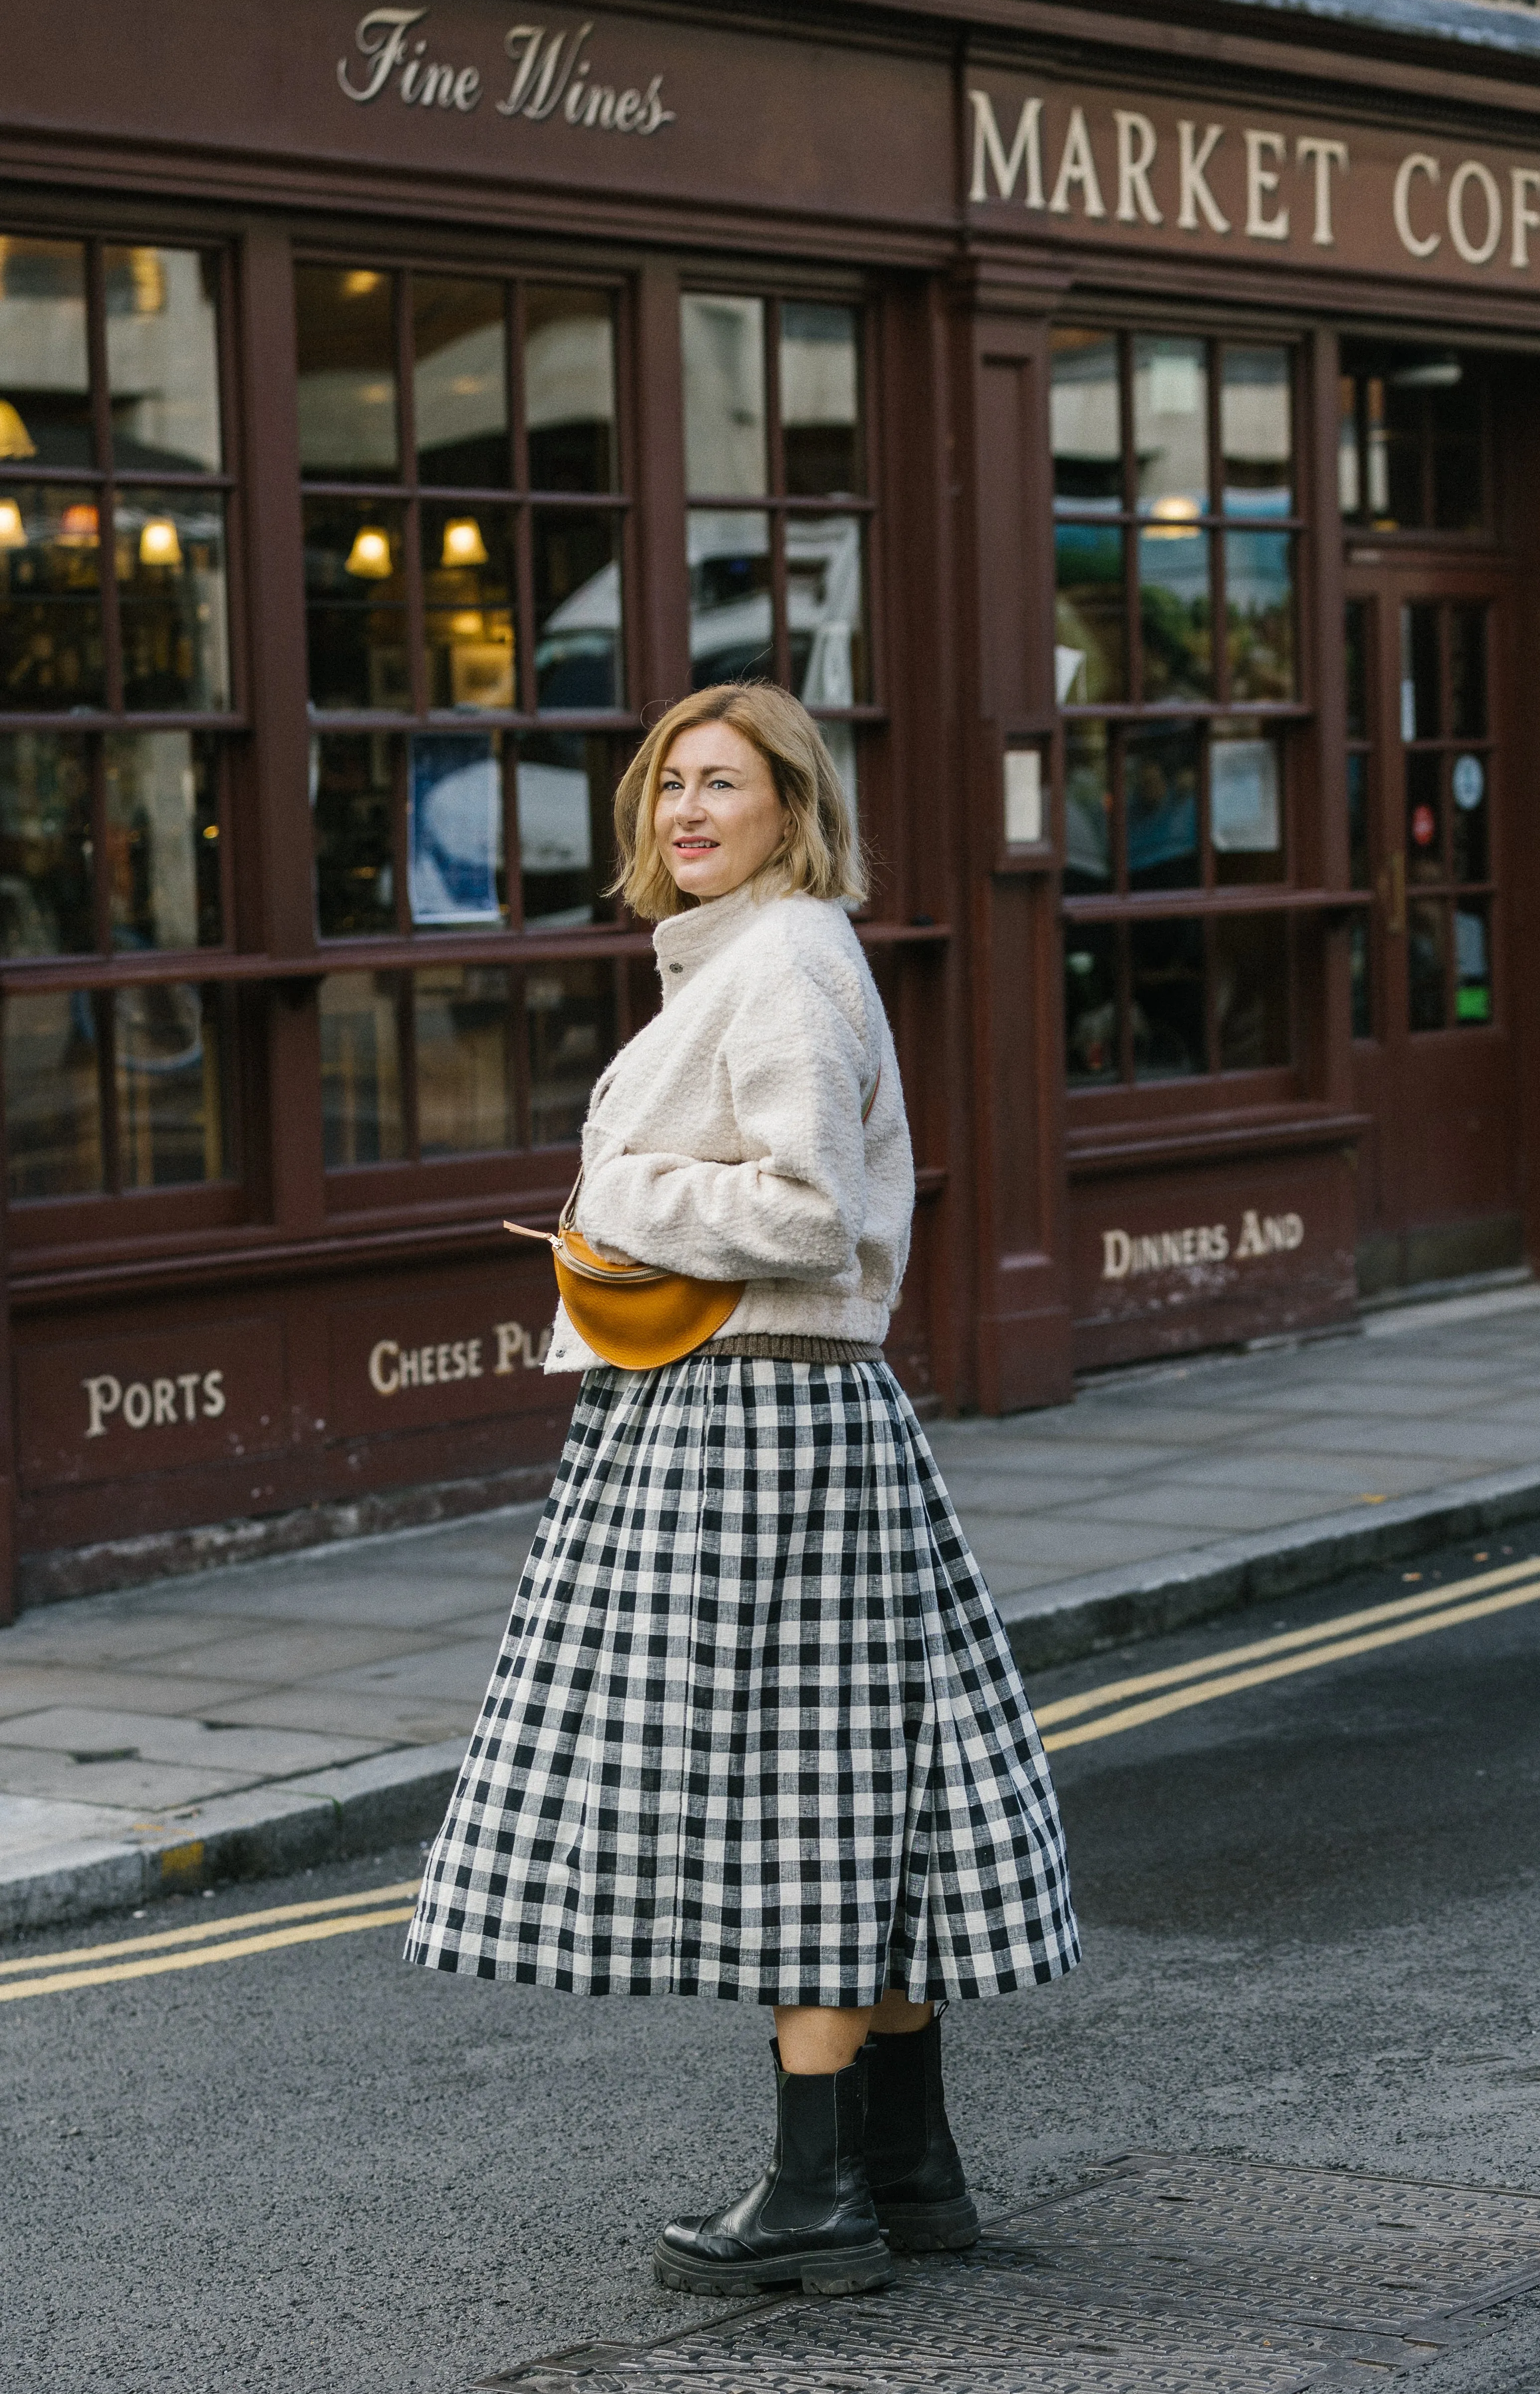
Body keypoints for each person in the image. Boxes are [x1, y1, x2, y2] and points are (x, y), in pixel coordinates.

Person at [406, 682, 1079, 2298]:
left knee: (802, 1796)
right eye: (664, 790)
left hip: (754, 1426)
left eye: (722, 786)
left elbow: (813, 1210)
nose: (683, 816)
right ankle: (908, 2171)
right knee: (873, 1784)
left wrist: (618, 1189)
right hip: (769, 1418)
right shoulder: (755, 957)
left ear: (794, 805)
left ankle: (812, 2197)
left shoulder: (783, 962)